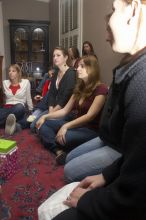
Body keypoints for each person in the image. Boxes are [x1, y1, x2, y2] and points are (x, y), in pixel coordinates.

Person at [38, 0, 146, 219]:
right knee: (44, 125)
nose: (106, 34)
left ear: (133, 9)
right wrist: (107, 174)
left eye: (114, 9)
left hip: (101, 139)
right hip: (107, 144)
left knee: (69, 171)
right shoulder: (130, 69)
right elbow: (136, 156)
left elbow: (135, 192)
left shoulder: (137, 79)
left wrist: (90, 200)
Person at [36, 55, 108, 164]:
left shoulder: (101, 89)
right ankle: (58, 151)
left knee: (63, 137)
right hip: (76, 125)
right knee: (43, 125)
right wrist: (44, 116)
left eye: (82, 66)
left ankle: (55, 143)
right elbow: (65, 110)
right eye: (78, 66)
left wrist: (66, 126)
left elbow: (90, 116)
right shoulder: (79, 87)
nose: (77, 69)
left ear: (92, 68)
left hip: (90, 130)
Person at [26, 46, 77, 131]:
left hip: (65, 110)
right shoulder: (56, 73)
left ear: (66, 57)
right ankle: (17, 125)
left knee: (38, 125)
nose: (55, 58)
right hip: (54, 108)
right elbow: (52, 94)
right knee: (34, 125)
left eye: (58, 55)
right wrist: (50, 112)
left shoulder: (71, 73)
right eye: (54, 56)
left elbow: (64, 99)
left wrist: (50, 115)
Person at [0, 64, 33, 135]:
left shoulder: (26, 82)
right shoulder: (5, 83)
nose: (10, 73)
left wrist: (31, 110)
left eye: (13, 71)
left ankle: (6, 123)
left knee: (20, 108)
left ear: (18, 73)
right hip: (7, 108)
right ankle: (13, 124)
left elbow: (28, 98)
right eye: (9, 71)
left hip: (19, 108)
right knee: (2, 111)